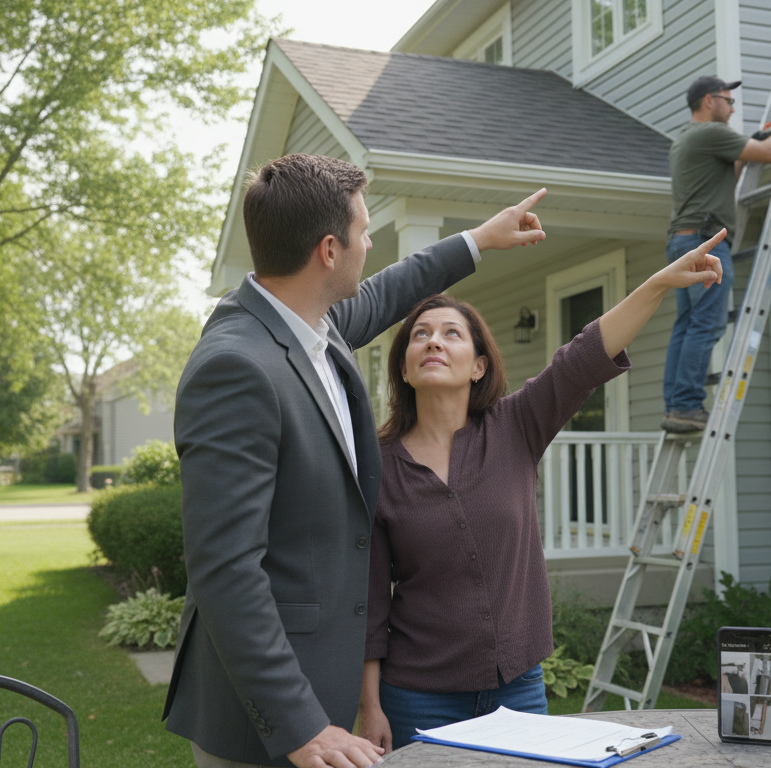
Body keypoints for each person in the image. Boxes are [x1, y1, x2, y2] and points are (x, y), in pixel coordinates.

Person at [163, 152, 549, 768]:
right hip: (259, 721)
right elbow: (225, 570)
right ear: (328, 251)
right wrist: (299, 728)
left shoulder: (311, 325)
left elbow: (390, 290)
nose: (371, 244)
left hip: (318, 693)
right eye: (364, 233)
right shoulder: (236, 366)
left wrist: (479, 240)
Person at [358, 231, 728, 750]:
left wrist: (661, 283)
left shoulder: (515, 426)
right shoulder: (377, 467)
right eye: (420, 335)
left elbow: (585, 355)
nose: (434, 341)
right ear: (403, 366)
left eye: (451, 333)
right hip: (416, 697)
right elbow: (370, 600)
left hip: (519, 691)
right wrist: (369, 707)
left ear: (479, 365)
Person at [661, 76, 771, 433]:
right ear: (709, 101)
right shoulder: (711, 133)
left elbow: (728, 171)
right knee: (708, 324)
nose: (732, 107)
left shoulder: (684, 139)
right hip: (706, 242)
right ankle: (686, 406)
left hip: (683, 242)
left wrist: (746, 147)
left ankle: (677, 406)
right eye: (729, 100)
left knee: (686, 326)